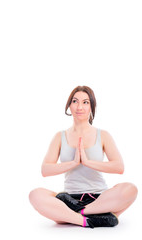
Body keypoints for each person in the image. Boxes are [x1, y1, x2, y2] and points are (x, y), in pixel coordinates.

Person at [29, 85, 138, 228]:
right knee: (35, 195)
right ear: (69, 105)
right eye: (75, 101)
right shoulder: (59, 137)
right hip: (69, 199)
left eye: (85, 102)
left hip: (100, 199)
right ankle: (89, 220)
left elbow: (119, 167)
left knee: (131, 189)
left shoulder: (103, 135)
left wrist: (87, 162)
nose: (79, 106)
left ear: (92, 107)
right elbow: (45, 170)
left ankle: (78, 214)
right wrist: (74, 162)